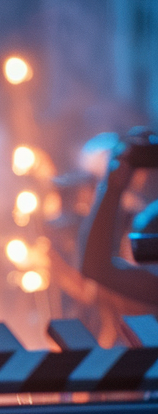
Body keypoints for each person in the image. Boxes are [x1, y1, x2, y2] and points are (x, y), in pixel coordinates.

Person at [80, 129, 158, 311]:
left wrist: (113, 187)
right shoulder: (149, 222)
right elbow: (97, 268)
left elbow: (97, 268)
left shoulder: (148, 221)